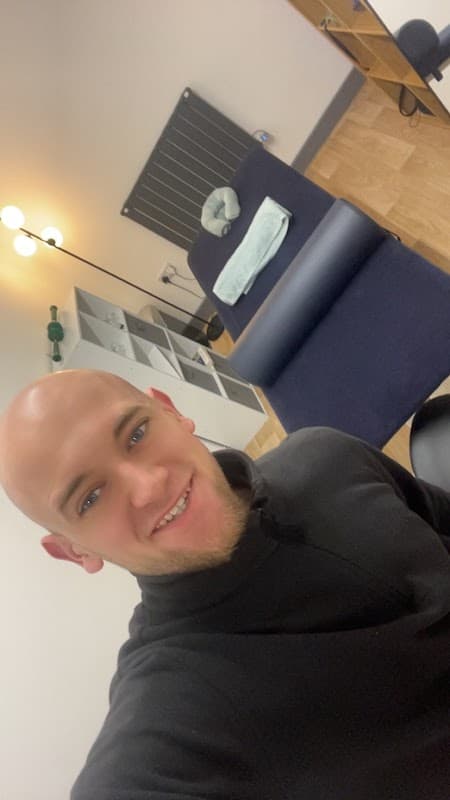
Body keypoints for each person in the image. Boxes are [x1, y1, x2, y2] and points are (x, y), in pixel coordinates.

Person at [1, 368, 449, 800]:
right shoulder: (172, 714)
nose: (150, 486)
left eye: (136, 435)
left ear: (171, 411)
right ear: (74, 551)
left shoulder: (325, 454)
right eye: (91, 498)